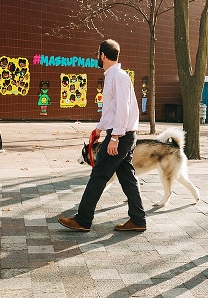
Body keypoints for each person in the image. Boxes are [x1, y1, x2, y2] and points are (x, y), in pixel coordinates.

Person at [59, 39, 145, 233]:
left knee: (98, 175)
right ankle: (138, 219)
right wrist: (99, 128)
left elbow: (123, 109)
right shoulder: (113, 76)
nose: (96, 56)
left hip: (121, 136)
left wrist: (115, 137)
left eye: (97, 53)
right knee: (126, 177)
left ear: (103, 55)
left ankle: (83, 219)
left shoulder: (118, 77)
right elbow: (112, 110)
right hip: (123, 134)